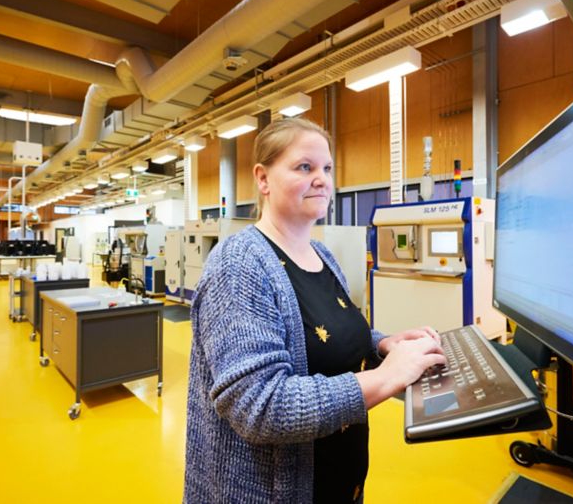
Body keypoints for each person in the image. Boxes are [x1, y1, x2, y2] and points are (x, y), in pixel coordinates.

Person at [183, 117, 446, 504]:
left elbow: (327, 334)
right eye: (304, 167)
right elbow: (260, 405)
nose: (322, 179)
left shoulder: (321, 254)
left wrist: (383, 345)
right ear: (263, 178)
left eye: (326, 168)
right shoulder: (239, 264)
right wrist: (386, 378)